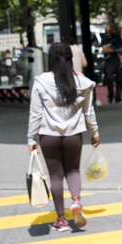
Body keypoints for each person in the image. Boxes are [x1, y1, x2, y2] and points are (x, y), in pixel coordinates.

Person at [27, 42, 100, 233]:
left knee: (56, 176)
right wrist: (95, 133)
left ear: (50, 59)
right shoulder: (82, 82)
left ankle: (61, 219)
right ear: (71, 59)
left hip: (48, 136)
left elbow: (35, 114)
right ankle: (76, 201)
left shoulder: (42, 81)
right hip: (74, 135)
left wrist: (31, 139)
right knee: (73, 171)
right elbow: (89, 112)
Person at [101, 24, 122, 104]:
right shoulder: (104, 39)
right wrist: (116, 50)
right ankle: (111, 96)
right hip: (109, 63)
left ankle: (118, 98)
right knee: (110, 79)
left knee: (119, 80)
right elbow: (105, 50)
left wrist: (110, 49)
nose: (108, 33)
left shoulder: (116, 38)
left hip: (117, 62)